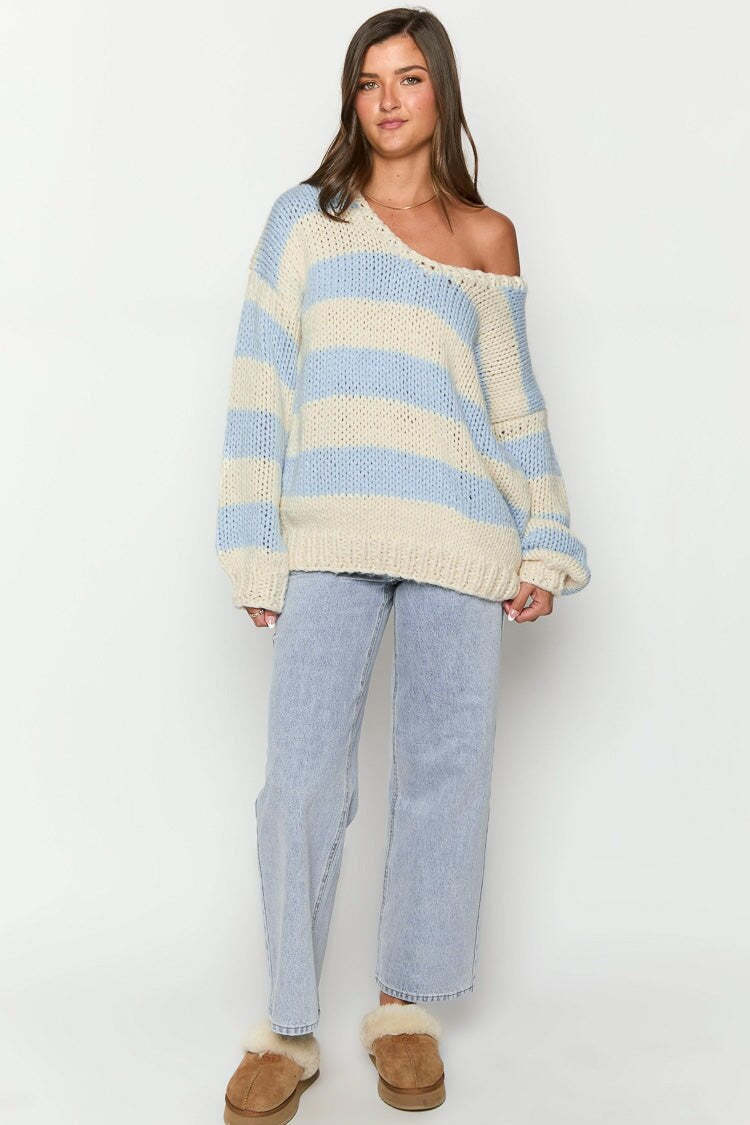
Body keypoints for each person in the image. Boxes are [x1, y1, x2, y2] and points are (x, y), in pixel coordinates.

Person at [215, 8, 591, 1121]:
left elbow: (514, 409)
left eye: (411, 78)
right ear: (353, 98)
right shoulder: (304, 221)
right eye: (370, 79)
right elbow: (262, 382)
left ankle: (402, 1010)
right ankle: (287, 1026)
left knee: (445, 774)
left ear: (441, 95)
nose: (388, 98)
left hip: (462, 535)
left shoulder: (486, 236)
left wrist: (546, 535)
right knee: (300, 782)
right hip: (329, 533)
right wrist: (252, 544)